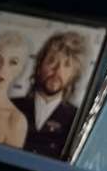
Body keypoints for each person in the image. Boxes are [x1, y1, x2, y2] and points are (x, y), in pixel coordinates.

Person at [12, 29, 87, 159]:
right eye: (52, 61)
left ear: (74, 75)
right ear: (40, 64)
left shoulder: (78, 120)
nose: (57, 69)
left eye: (67, 65)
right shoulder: (11, 106)